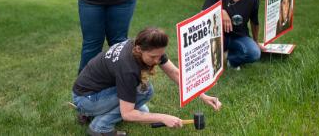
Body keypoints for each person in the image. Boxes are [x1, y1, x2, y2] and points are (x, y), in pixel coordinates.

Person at [71, 27, 222, 136]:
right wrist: (163, 117)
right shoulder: (128, 68)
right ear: (139, 49)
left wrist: (203, 95)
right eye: (153, 57)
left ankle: (94, 114)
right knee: (144, 91)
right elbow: (128, 114)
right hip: (86, 99)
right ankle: (99, 127)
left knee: (144, 108)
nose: (157, 61)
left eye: (160, 55)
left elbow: (174, 72)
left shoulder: (143, 46)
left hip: (96, 92)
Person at [202, 0, 266, 70]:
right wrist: (220, 11)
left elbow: (254, 22)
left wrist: (256, 42)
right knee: (204, 56)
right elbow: (203, 14)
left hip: (239, 36)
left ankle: (232, 59)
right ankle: (219, 54)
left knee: (254, 53)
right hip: (217, 36)